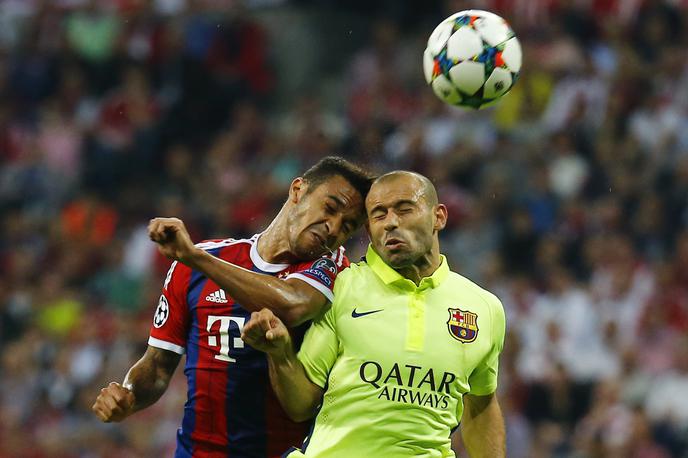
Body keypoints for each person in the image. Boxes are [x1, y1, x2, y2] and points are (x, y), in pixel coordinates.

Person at [92, 157, 375, 457]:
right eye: (329, 209)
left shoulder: (334, 269)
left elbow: (293, 304)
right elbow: (158, 366)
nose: (333, 229)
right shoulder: (199, 264)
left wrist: (196, 258)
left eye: (347, 226)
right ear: (297, 190)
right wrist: (130, 396)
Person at [242, 171, 507, 457]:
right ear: (369, 232)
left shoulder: (483, 307)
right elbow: (300, 405)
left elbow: (481, 406)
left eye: (405, 209)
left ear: (439, 217)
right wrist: (280, 354)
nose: (391, 223)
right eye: (378, 215)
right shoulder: (341, 287)